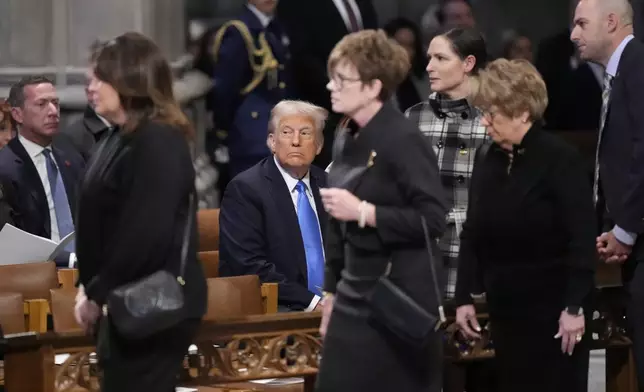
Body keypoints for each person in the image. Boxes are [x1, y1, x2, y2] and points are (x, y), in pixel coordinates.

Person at [73, 32, 207, 392]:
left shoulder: (158, 141)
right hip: (122, 303)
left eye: (101, 78)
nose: (91, 87)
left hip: (150, 308)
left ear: (129, 81)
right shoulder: (120, 136)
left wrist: (96, 293)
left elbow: (145, 235)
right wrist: (89, 289)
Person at [315, 29, 448, 392]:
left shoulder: (403, 139)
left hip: (394, 300)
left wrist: (364, 212)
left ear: (373, 87)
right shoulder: (348, 135)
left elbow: (433, 218)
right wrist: (329, 295)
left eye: (341, 79)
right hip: (352, 294)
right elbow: (336, 223)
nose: (331, 86)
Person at [454, 58, 596, 392]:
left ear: (522, 112)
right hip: (506, 311)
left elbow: (581, 237)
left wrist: (573, 306)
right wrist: (463, 297)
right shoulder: (489, 159)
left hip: (555, 312)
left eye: (492, 113)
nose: (485, 122)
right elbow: (473, 230)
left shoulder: (560, 159)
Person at [405, 27, 493, 392]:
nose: (429, 66)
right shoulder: (413, 118)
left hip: (479, 269)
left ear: (468, 63)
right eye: (428, 57)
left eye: (441, 58)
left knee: (484, 377)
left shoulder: (493, 119)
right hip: (427, 268)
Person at [571, 0, 644, 387]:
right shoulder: (624, 71)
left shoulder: (638, 65)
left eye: (582, 23)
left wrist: (626, 229)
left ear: (612, 22)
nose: (573, 34)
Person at [219, 100, 329, 311]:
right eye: (287, 132)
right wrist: (314, 304)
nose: (296, 141)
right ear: (272, 142)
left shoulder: (330, 184)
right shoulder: (246, 189)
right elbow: (249, 266)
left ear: (319, 145)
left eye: (306, 133)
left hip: (337, 309)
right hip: (276, 309)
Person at [277, 0, 379, 168]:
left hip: (367, 112)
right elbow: (302, 58)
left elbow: (375, 50)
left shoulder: (363, 4)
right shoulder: (300, 5)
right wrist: (343, 94)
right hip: (324, 111)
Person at [1, 76, 85, 267]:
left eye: (55, 103)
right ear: (17, 114)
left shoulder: (70, 154)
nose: (53, 112)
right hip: (36, 272)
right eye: (42, 104)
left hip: (84, 267)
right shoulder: (5, 168)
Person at [212, 0, 296, 178]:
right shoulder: (238, 32)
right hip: (250, 138)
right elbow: (225, 91)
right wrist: (225, 132)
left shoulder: (278, 27)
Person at [60, 40, 112, 160]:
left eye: (100, 80)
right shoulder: (72, 139)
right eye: (89, 81)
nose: (91, 88)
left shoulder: (140, 131)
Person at [383, 17, 429, 112]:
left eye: (410, 46)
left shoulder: (425, 81)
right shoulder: (375, 86)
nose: (405, 51)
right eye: (399, 44)